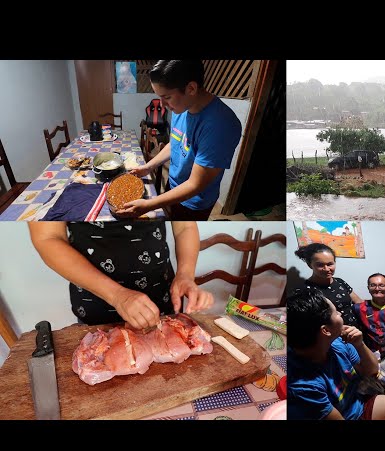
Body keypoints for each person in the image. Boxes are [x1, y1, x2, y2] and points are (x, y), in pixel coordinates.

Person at [28, 221, 213, 330]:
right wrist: (117, 295)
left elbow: (185, 226)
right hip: (98, 309)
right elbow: (47, 238)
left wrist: (186, 275)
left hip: (162, 300)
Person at [122, 60, 242, 221]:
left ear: (191, 88)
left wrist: (149, 204)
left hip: (194, 201)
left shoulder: (221, 125)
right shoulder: (182, 107)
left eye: (166, 97)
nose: (163, 105)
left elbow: (195, 185)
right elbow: (176, 142)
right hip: (174, 184)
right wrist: (148, 167)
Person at [287, 289, 385, 420]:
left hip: (361, 393)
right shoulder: (304, 386)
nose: (340, 314)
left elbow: (372, 371)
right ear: (325, 330)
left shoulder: (336, 342)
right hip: (353, 413)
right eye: (335, 313)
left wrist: (359, 344)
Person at [293, 243, 363, 329]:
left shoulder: (340, 282)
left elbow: (360, 303)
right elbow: (306, 323)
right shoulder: (303, 291)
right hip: (331, 338)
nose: (326, 269)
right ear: (309, 265)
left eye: (330, 264)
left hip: (355, 331)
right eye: (320, 265)